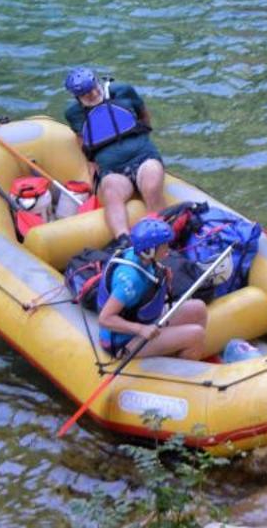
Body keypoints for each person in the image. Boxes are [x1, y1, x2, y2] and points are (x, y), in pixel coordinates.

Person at [62, 67, 167, 240]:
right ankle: (123, 241)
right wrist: (92, 168)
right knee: (111, 194)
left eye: (94, 88)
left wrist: (143, 136)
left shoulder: (122, 90)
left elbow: (143, 113)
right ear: (77, 97)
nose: (93, 93)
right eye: (86, 94)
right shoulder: (73, 113)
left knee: (151, 186)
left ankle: (160, 235)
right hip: (113, 170)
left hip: (143, 157)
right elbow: (82, 140)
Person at [95, 217, 209, 361]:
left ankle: (185, 353)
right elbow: (104, 319)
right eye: (164, 245)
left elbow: (145, 290)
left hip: (145, 322)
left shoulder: (138, 254)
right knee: (196, 335)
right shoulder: (130, 282)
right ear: (150, 250)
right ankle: (183, 367)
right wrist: (141, 330)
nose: (168, 248)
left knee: (198, 308)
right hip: (123, 342)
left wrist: (163, 280)